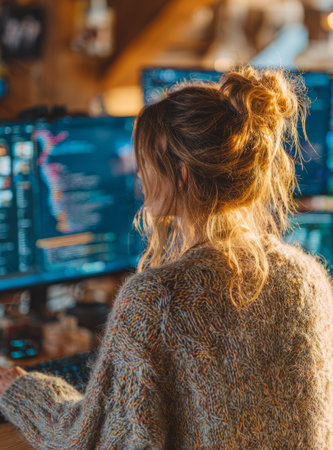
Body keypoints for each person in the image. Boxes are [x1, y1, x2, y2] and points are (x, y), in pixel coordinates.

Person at [0, 66, 332, 449]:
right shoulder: (308, 279)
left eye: (146, 165)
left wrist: (20, 390)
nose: (139, 180)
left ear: (182, 175)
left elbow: (91, 440)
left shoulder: (155, 301)